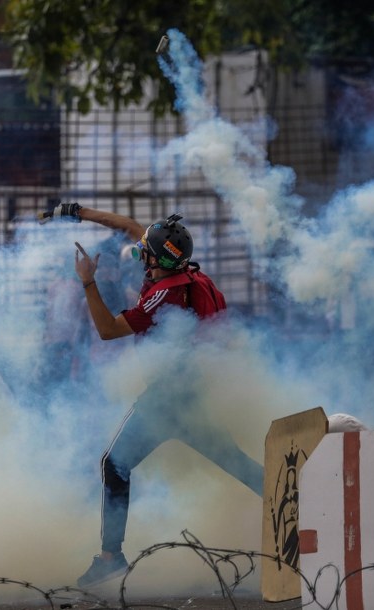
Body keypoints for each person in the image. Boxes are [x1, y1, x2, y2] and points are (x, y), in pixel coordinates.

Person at [48, 203, 262, 587]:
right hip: (198, 395)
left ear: (159, 258)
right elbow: (131, 226)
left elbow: (109, 330)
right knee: (237, 463)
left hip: (168, 400)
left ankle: (111, 556)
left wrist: (87, 282)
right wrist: (78, 211)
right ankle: (303, 503)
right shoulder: (196, 279)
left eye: (146, 250)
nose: (139, 252)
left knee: (113, 465)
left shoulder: (165, 294)